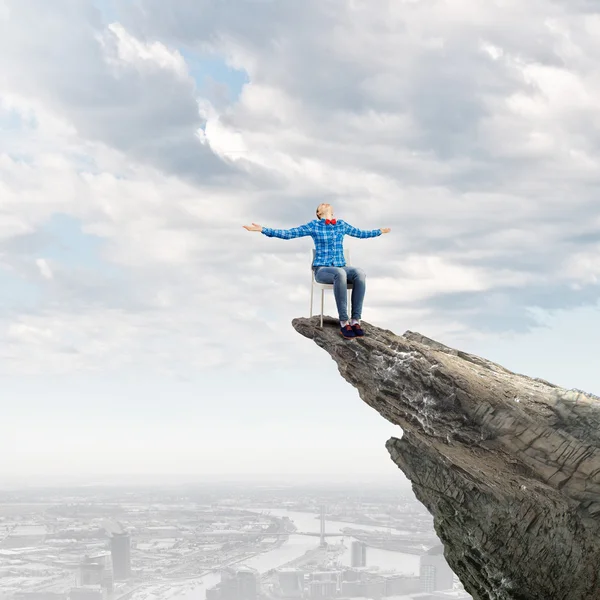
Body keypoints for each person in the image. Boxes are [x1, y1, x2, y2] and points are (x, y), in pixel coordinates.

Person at [243, 203, 391, 339]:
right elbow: (288, 234)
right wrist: (263, 229)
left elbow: (360, 233)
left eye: (327, 205)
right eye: (321, 205)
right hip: (322, 269)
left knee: (359, 273)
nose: (325, 204)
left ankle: (355, 320)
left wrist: (379, 231)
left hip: (341, 266)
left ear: (332, 212)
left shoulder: (341, 225)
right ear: (319, 213)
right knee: (340, 274)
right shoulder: (314, 226)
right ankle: (344, 322)